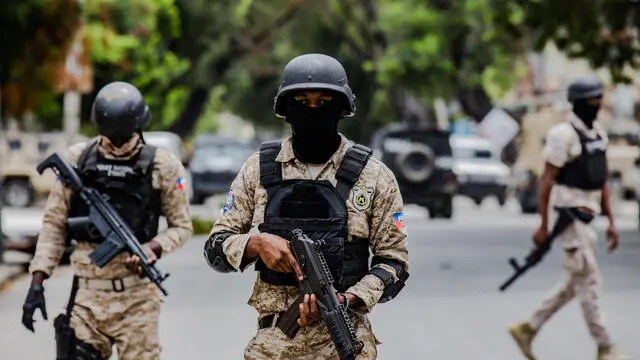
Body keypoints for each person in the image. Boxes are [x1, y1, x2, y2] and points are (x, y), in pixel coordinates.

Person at [204, 53, 409, 359]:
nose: (313, 109)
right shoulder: (259, 170)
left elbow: (394, 264)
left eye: (324, 101)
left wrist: (349, 298)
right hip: (273, 345)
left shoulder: (374, 176)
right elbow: (215, 249)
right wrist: (258, 244)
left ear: (341, 108)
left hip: (345, 341)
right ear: (286, 109)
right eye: (302, 101)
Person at [21, 81, 193, 359]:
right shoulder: (78, 159)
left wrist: (154, 248)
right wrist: (37, 282)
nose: (116, 143)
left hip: (138, 301)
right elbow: (54, 226)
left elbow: (182, 227)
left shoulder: (163, 165)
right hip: (86, 300)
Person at [508, 77, 631, 360]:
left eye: (599, 99)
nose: (596, 105)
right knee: (589, 279)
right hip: (569, 215)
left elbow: (601, 182)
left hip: (590, 214)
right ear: (577, 103)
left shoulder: (598, 133)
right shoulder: (562, 135)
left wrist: (611, 222)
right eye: (591, 100)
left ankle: (528, 328)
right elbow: (547, 181)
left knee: (576, 281)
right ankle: (605, 346)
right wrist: (542, 224)